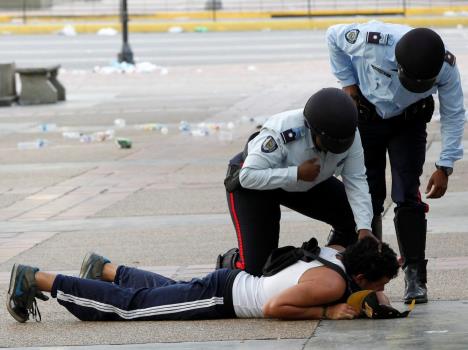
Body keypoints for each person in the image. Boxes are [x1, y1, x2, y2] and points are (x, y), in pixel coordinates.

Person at [326, 21, 466, 304]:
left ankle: (415, 276)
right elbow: (332, 37)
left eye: (422, 84)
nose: (415, 86)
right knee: (369, 196)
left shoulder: (446, 67)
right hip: (367, 115)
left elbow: (454, 113)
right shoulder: (372, 40)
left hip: (409, 122)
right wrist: (348, 85)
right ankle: (367, 275)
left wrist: (445, 165)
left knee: (407, 195)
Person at [6, 237, 399, 323]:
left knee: (163, 293)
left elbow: (364, 273)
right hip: (224, 298)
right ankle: (37, 279)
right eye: (379, 285)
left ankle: (105, 270)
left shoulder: (339, 253)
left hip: (228, 282)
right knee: (133, 307)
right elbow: (274, 307)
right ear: (361, 274)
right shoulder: (331, 287)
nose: (381, 292)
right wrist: (328, 312)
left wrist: (375, 301)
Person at [222, 87, 376, 277]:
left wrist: (364, 228)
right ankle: (228, 263)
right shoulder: (282, 132)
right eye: (329, 144)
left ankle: (331, 270)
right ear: (312, 129)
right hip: (256, 185)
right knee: (257, 272)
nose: (334, 150)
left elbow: (357, 181)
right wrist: (296, 174)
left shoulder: (349, 133)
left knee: (355, 222)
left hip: (309, 178)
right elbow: (248, 176)